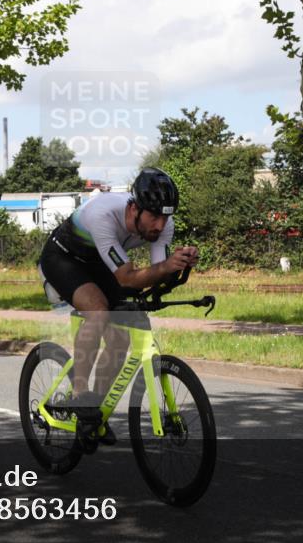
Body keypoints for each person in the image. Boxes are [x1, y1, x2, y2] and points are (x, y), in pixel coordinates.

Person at [38, 168, 199, 444]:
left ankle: (94, 413)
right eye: (154, 217)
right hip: (63, 258)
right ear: (134, 209)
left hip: (100, 263)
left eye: (165, 217)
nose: (160, 225)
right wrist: (165, 267)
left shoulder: (163, 224)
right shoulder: (103, 215)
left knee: (120, 338)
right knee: (98, 311)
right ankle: (80, 394)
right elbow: (127, 277)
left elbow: (156, 271)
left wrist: (178, 264)